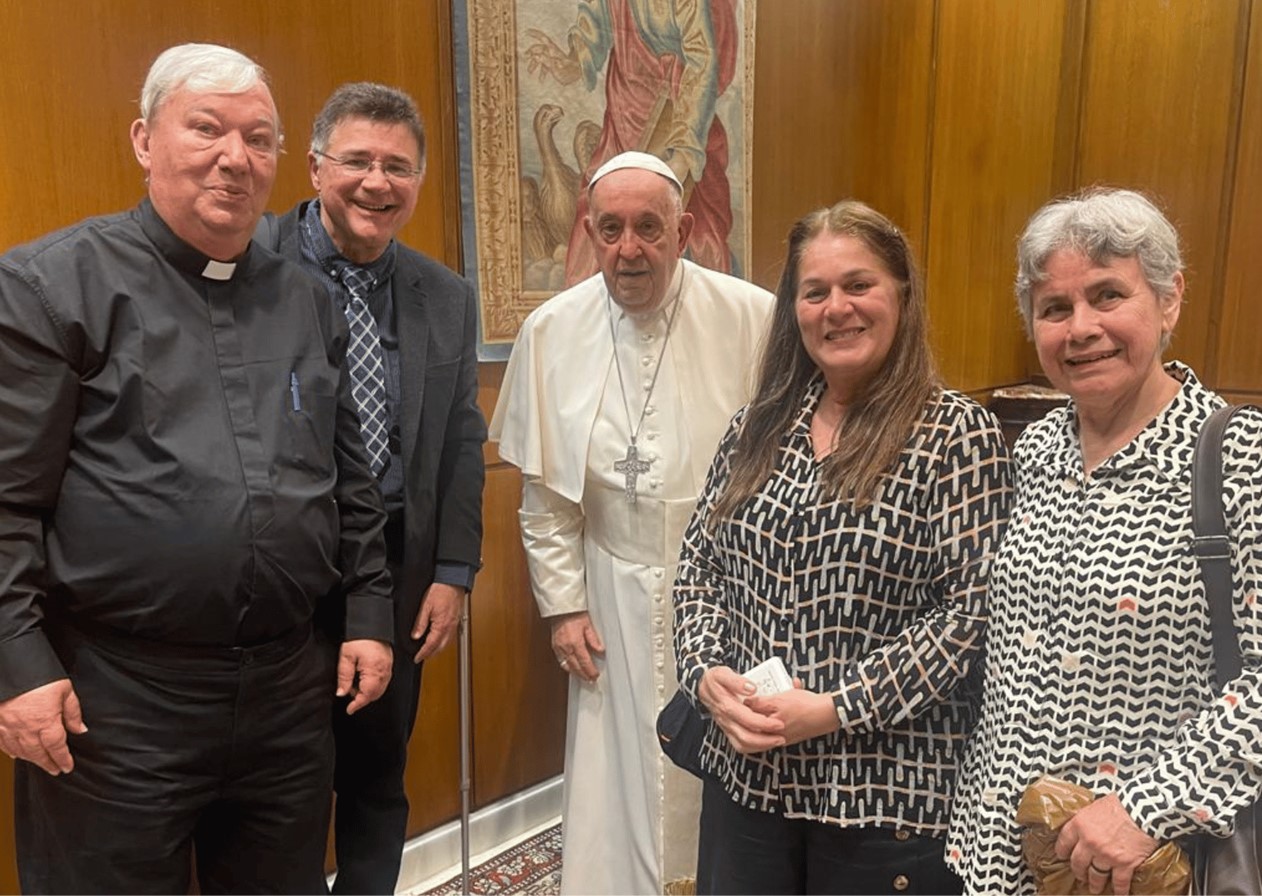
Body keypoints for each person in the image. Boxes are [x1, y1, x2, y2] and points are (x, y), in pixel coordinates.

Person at [0, 44, 395, 894]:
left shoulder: (308, 299)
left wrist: (367, 608)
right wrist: (16, 663)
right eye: (206, 129)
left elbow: (351, 477)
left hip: (289, 696)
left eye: (258, 138)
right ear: (145, 141)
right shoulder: (49, 288)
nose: (235, 157)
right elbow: (6, 501)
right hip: (115, 700)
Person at [673, 200, 1013, 895]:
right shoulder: (757, 427)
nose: (837, 308)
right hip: (749, 779)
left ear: (902, 296)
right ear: (793, 310)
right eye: (815, 290)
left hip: (882, 795)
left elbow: (970, 614)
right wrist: (706, 673)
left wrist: (834, 707)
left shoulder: (957, 436)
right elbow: (698, 567)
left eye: (859, 285)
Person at [945, 187, 1262, 895]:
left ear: (1169, 299)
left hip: (1141, 865)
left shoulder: (1240, 458)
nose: (1081, 328)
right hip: (997, 859)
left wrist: (1143, 810)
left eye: (1108, 296)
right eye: (1055, 309)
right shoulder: (1033, 452)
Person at [490, 150, 773, 894]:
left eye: (648, 227)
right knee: (617, 775)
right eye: (610, 229)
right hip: (610, 591)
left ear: (683, 232)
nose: (628, 249)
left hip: (725, 593)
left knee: (723, 770)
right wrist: (564, 606)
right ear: (588, 231)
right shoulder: (552, 331)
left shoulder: (754, 316)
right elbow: (546, 500)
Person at [259, 81, 487, 894]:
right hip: (280, 576)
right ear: (316, 167)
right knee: (277, 793)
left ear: (419, 182)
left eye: (398, 166)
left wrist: (454, 572)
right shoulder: (250, 265)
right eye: (356, 160)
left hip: (397, 574)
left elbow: (462, 437)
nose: (376, 182)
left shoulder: (447, 296)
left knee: (376, 776)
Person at [524, 0, 741, 283]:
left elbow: (701, 58)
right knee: (594, 227)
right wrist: (570, 61)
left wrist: (683, 153)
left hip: (678, 114)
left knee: (693, 235)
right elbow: (595, 24)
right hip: (624, 109)